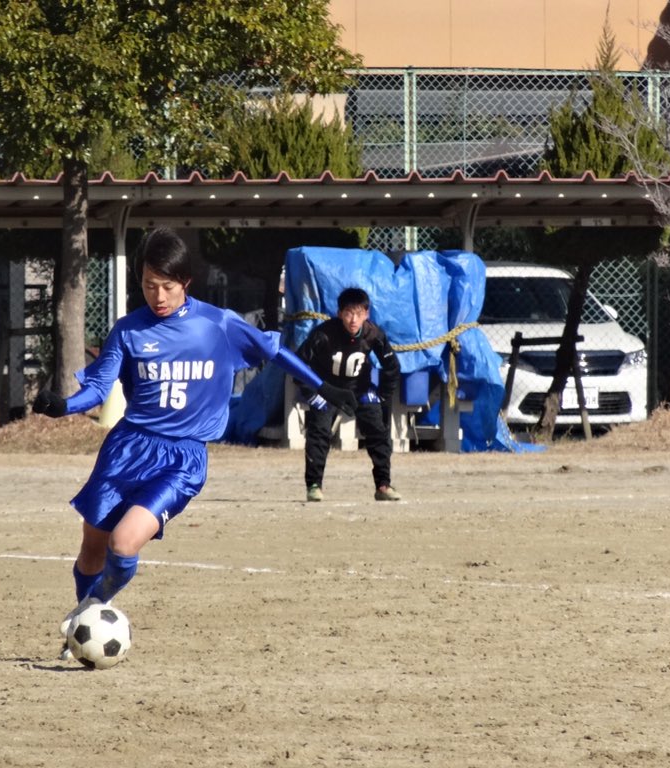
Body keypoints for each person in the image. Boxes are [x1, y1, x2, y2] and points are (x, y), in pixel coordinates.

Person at [32, 227, 357, 658]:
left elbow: (275, 349)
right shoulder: (128, 330)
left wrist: (325, 388)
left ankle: (91, 609)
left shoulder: (217, 324)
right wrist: (65, 405)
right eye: (149, 286)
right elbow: (100, 388)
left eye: (167, 286)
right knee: (92, 547)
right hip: (126, 448)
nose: (158, 296)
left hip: (182, 458)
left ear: (185, 281)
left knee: (123, 543)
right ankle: (84, 613)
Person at [295, 287, 402, 503]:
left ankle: (383, 485)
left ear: (366, 314)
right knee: (319, 432)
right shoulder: (323, 334)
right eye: (348, 313)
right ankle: (314, 485)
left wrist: (382, 395)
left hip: (359, 390)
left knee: (378, 433)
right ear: (340, 313)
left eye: (359, 313)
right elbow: (299, 365)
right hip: (328, 390)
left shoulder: (374, 335)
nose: (353, 319)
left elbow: (391, 367)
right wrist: (312, 394)